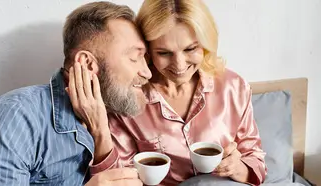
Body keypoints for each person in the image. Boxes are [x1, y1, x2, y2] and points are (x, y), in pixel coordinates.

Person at [0, 1, 151, 186]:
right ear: (87, 63)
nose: (147, 72)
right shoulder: (17, 117)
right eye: (134, 58)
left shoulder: (106, 115)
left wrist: (101, 133)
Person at [84, 0, 267, 185]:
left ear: (206, 44)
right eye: (164, 53)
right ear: (147, 51)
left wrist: (239, 168)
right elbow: (118, 178)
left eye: (190, 49)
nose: (179, 65)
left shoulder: (233, 87)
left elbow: (255, 159)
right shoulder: (127, 98)